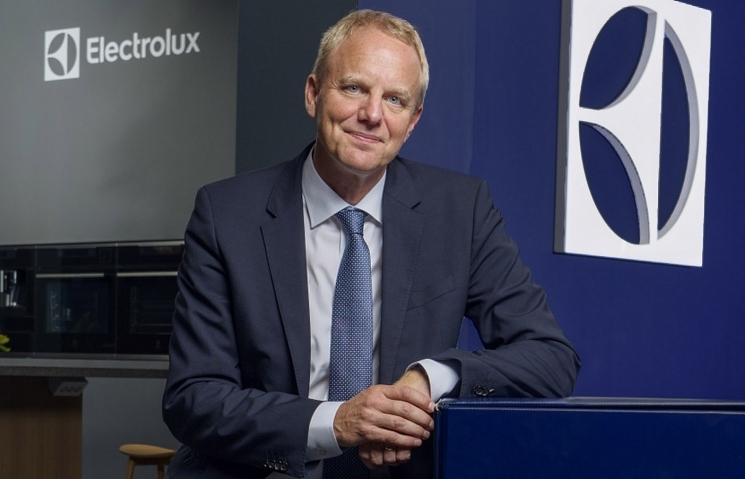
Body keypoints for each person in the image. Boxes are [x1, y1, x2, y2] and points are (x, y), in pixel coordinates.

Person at [162, 9, 580, 479]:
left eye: (395, 99)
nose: (373, 115)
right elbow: (192, 397)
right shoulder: (227, 214)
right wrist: (336, 423)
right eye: (354, 88)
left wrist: (431, 378)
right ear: (314, 94)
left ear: (413, 119)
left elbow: (551, 358)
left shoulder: (461, 211)